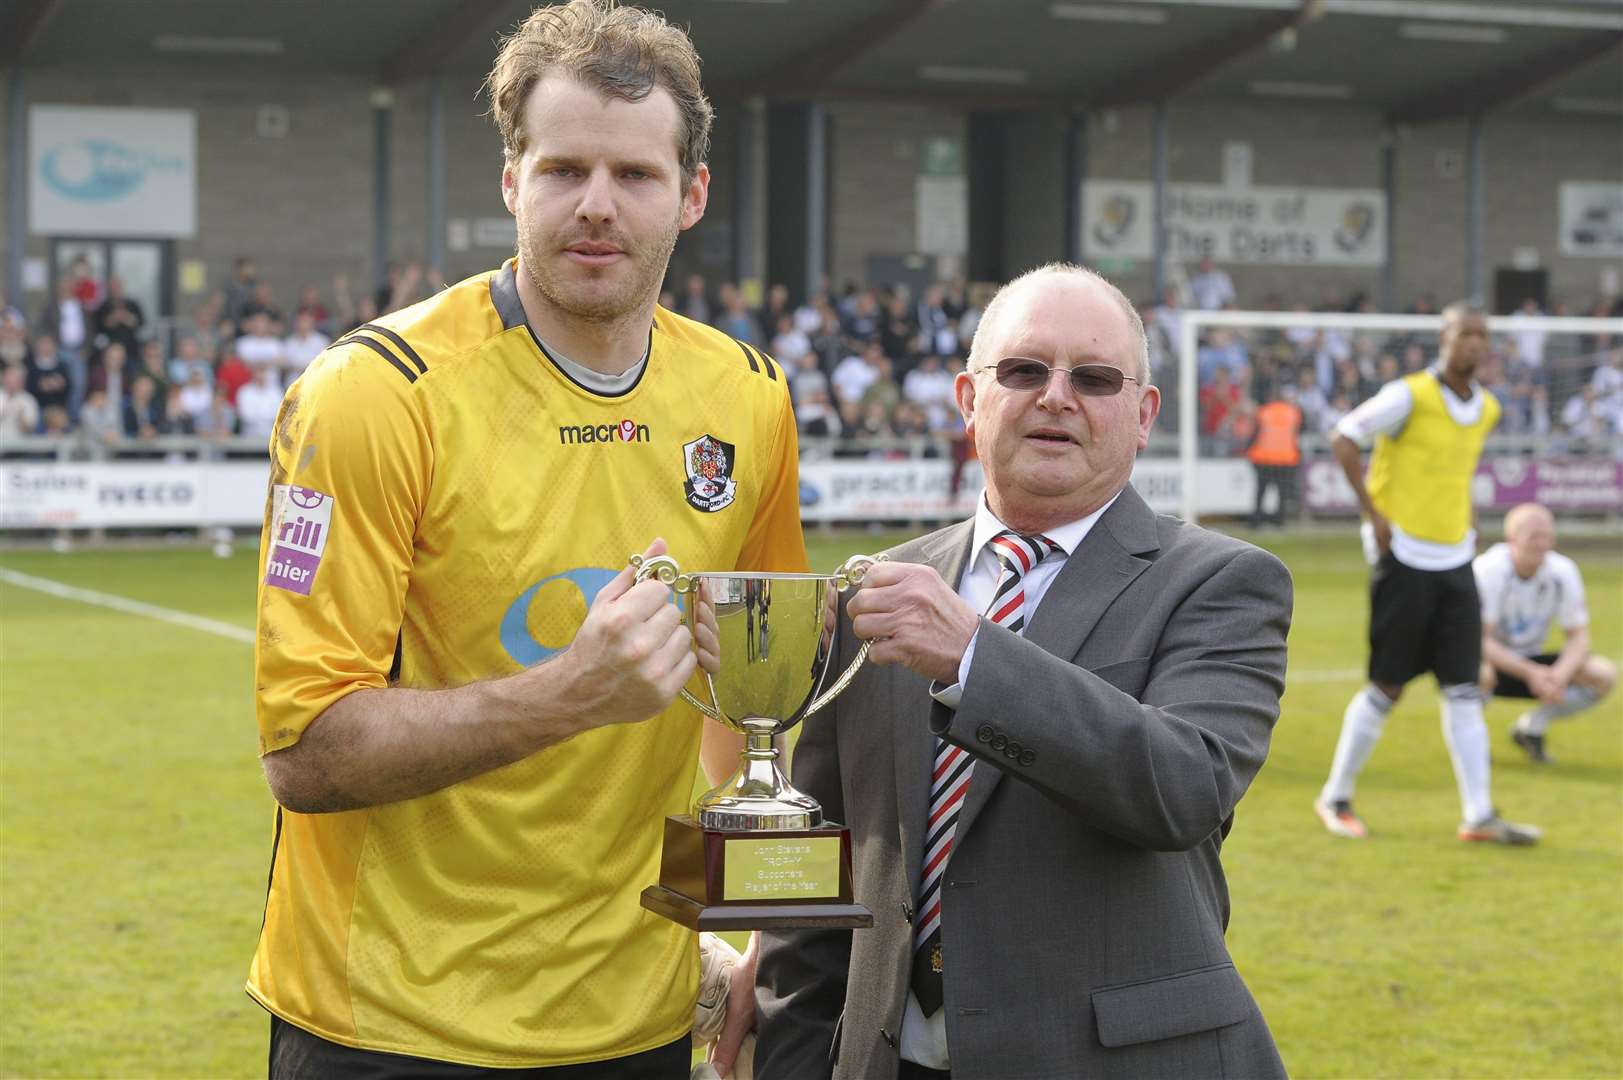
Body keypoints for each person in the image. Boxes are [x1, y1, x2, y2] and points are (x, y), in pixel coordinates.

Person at [248, 2, 806, 1075]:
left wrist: (741, 926)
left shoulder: (748, 398)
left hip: (636, 1016)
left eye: (636, 177)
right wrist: (572, 691)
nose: (597, 206)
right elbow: (303, 752)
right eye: (562, 170)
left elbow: (754, 687)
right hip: (390, 1022)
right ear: (512, 182)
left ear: (692, 196)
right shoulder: (374, 396)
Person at [753, 263, 1292, 1078]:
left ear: (1142, 416)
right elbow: (824, 881)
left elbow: (1183, 788)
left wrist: (973, 654)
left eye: (1096, 378)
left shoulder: (1220, 581)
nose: (1056, 396)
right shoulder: (876, 589)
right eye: (1024, 370)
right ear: (969, 399)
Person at [1315, 302, 1540, 845]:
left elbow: (1453, 473)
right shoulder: (1408, 395)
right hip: (1405, 563)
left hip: (1455, 563)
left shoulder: (1485, 408)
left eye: (1483, 335)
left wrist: (1469, 521)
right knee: (1387, 686)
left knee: (1464, 689)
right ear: (1444, 338)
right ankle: (1335, 796)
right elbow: (1344, 439)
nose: (1476, 344)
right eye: (1466, 333)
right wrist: (1374, 515)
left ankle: (1479, 815)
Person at [1475, 503, 1616, 764]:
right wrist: (1531, 673)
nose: (1543, 544)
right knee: (1478, 673)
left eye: (1548, 536)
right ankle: (1473, 743)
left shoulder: (1563, 571)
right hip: (1494, 661)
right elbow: (1478, 639)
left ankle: (1531, 728)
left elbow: (1579, 636)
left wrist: (1559, 675)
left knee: (1602, 674)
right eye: (1534, 537)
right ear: (1511, 539)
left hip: (1534, 661)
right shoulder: (1488, 571)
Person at [1246, 382, 1303, 527]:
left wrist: (1248, 450)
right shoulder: (1294, 413)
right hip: (1286, 459)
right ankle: (1280, 520)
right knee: (1282, 493)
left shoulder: (1263, 411)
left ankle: (1256, 520)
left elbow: (1255, 434)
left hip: (1264, 458)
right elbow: (1297, 434)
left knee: (1261, 491)